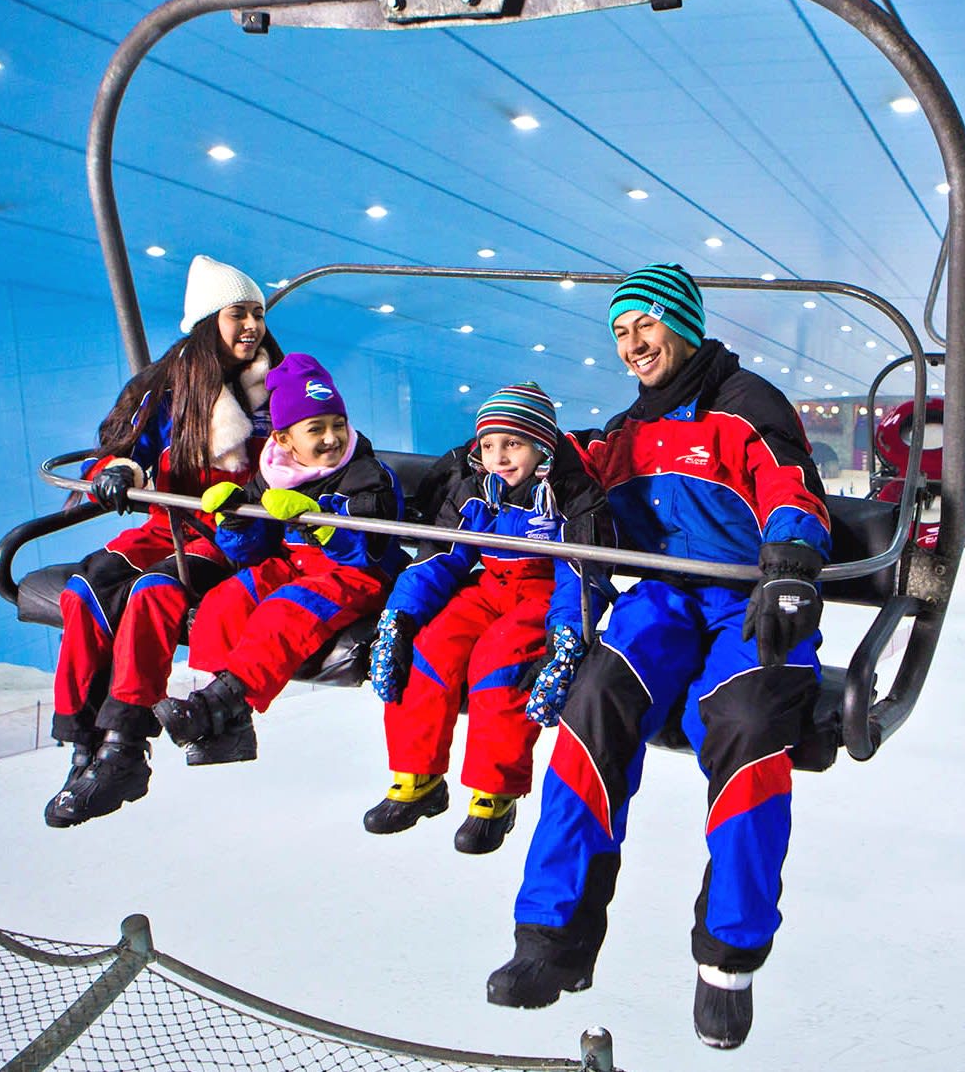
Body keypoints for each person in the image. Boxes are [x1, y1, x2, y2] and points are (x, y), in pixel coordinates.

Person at [486, 263, 831, 1051]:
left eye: (644, 324)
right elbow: (572, 472)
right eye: (619, 331)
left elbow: (790, 489)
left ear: (680, 323)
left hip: (749, 597)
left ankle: (727, 960)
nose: (632, 343)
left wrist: (788, 567)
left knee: (747, 725)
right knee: (592, 700)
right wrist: (502, 454)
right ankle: (552, 936)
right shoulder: (628, 429)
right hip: (668, 598)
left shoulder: (745, 407)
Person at [45, 255, 279, 828]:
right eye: (237, 314)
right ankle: (83, 744)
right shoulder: (167, 387)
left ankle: (125, 744)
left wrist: (253, 497)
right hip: (165, 523)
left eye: (257, 314)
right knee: (85, 589)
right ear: (206, 322)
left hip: (230, 531)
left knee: (153, 593)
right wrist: (120, 470)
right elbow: (125, 443)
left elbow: (300, 449)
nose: (251, 327)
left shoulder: (274, 383)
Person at [363, 382, 612, 855]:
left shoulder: (570, 493)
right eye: (490, 444)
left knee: (500, 666)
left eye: (513, 444)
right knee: (430, 651)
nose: (499, 457)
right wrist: (400, 617)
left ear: (542, 444)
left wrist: (566, 636)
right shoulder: (476, 487)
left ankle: (493, 795)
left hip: (544, 593)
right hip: (490, 585)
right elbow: (440, 555)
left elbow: (582, 571)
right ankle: (416, 777)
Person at [150, 353, 409, 769]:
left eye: (338, 425)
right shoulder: (273, 471)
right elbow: (249, 552)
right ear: (286, 439)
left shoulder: (366, 473)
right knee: (225, 601)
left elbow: (374, 540)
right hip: (296, 566)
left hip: (357, 574)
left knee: (282, 612)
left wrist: (321, 526)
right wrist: (235, 522)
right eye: (316, 429)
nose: (331, 438)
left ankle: (219, 703)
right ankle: (233, 729)